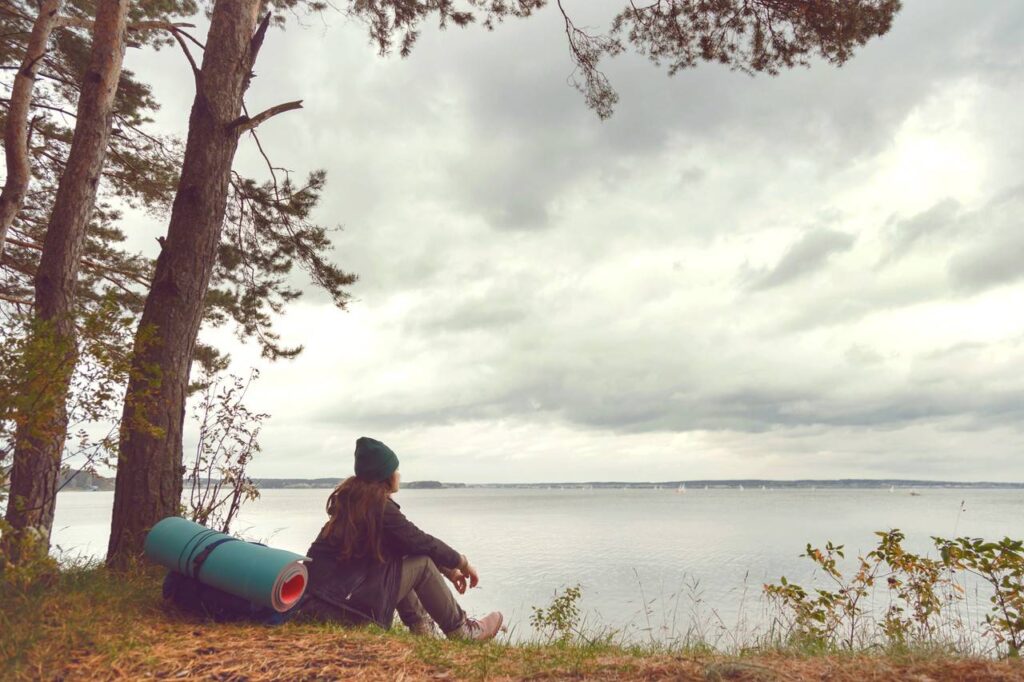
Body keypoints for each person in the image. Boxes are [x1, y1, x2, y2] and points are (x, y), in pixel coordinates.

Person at [297, 436, 503, 640]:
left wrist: (449, 570)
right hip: (347, 613)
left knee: (397, 560)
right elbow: (421, 541)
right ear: (385, 476)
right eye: (395, 469)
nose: (399, 474)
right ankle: (462, 631)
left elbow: (405, 544)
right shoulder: (379, 509)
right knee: (421, 565)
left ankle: (422, 628)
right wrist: (463, 563)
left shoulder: (352, 506)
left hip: (318, 606)